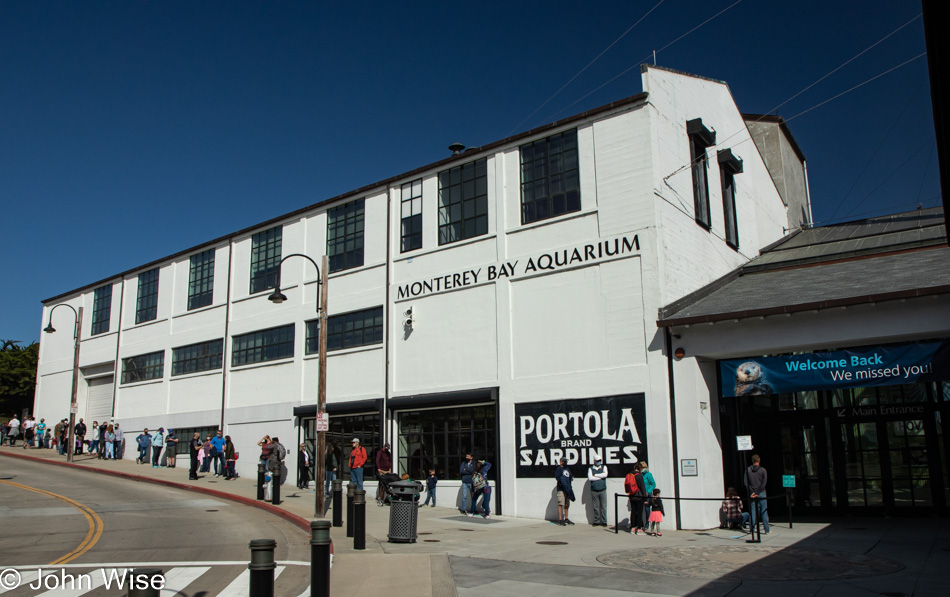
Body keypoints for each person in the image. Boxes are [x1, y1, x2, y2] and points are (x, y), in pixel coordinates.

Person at [744, 454, 770, 535]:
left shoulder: (747, 470)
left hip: (752, 493)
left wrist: (752, 492)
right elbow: (764, 483)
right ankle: (767, 530)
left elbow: (746, 482)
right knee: (764, 511)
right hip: (761, 492)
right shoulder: (763, 470)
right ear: (759, 460)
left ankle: (752, 529)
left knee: (753, 511)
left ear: (752, 460)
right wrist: (758, 492)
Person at [625, 463, 647, 535]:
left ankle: (633, 528)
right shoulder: (639, 476)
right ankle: (639, 529)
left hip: (631, 496)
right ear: (640, 468)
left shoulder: (629, 474)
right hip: (639, 496)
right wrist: (645, 498)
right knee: (639, 512)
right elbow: (642, 487)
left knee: (633, 511)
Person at [588, 457, 609, 527]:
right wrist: (600, 476)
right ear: (594, 461)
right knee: (595, 507)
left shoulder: (604, 467)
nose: (598, 462)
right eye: (597, 461)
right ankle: (596, 521)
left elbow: (605, 475)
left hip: (602, 490)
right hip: (594, 490)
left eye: (599, 461)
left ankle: (604, 521)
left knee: (603, 506)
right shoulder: (590, 468)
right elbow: (590, 478)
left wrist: (596, 475)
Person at [555, 457, 575, 526]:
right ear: (560, 462)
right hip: (561, 489)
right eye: (564, 461)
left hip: (567, 489)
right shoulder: (558, 469)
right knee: (561, 503)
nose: (565, 463)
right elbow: (557, 478)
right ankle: (560, 519)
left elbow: (571, 476)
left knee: (567, 504)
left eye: (566, 461)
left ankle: (566, 518)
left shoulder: (567, 469)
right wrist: (563, 482)